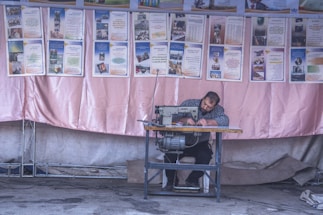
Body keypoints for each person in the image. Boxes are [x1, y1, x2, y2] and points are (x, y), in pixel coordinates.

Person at [163, 91, 229, 190]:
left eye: (209, 107)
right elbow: (173, 116)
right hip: (182, 141)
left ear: (214, 107)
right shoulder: (189, 104)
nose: (205, 108)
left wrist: (208, 122)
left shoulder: (218, 110)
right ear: (202, 99)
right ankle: (171, 181)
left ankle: (192, 180)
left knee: (205, 156)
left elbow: (225, 121)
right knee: (169, 154)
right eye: (204, 104)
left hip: (200, 143)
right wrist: (185, 120)